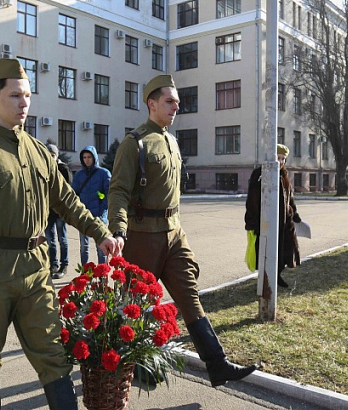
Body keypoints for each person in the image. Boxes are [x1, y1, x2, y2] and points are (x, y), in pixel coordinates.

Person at [0, 58, 120, 410]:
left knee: (53, 355)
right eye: (15, 95)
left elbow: (67, 202)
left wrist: (100, 232)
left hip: (36, 269)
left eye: (28, 96)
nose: (24, 104)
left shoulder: (38, 152)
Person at [108, 75, 257, 387]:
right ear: (152, 104)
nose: (177, 106)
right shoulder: (134, 144)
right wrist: (119, 231)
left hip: (174, 233)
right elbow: (119, 191)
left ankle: (217, 364)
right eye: (169, 101)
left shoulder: (172, 141)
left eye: (177, 101)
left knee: (189, 297)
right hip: (143, 235)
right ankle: (123, 365)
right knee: (135, 304)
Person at [244, 144, 301, 288]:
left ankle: (277, 275)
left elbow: (290, 196)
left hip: (284, 221)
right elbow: (252, 200)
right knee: (266, 252)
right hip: (266, 221)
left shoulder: (284, 174)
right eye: (278, 157)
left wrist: (294, 214)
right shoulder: (259, 173)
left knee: (285, 250)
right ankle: (266, 281)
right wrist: (252, 222)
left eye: (283, 159)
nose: (280, 161)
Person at [71, 145, 111, 267]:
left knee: (101, 247)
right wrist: (77, 211)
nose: (87, 160)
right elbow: (73, 194)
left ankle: (102, 274)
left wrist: (102, 208)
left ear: (94, 158)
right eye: (84, 157)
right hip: (83, 217)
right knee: (84, 246)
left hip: (99, 217)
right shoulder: (79, 175)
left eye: (89, 157)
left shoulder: (104, 173)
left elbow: (109, 194)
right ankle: (85, 272)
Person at [44, 143, 72, 279]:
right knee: (50, 239)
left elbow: (68, 190)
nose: (50, 157)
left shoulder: (63, 169)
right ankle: (53, 264)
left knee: (62, 238)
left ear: (57, 156)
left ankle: (64, 265)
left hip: (60, 211)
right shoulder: (43, 168)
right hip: (47, 211)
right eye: (48, 154)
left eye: (53, 155)